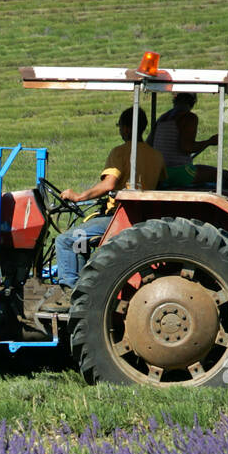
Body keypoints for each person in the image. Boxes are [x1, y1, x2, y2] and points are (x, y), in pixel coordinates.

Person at [44, 106, 165, 310]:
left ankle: (71, 295)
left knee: (66, 240)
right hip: (142, 217)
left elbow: (109, 184)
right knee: (80, 237)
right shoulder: (156, 156)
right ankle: (82, 285)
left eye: (120, 127)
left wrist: (79, 196)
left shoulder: (120, 152)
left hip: (120, 218)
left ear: (126, 129)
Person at [149, 92, 228, 189]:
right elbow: (186, 147)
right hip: (179, 172)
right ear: (193, 102)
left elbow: (149, 143)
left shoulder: (162, 118)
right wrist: (209, 142)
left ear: (175, 100)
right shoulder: (189, 117)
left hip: (159, 172)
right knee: (224, 174)